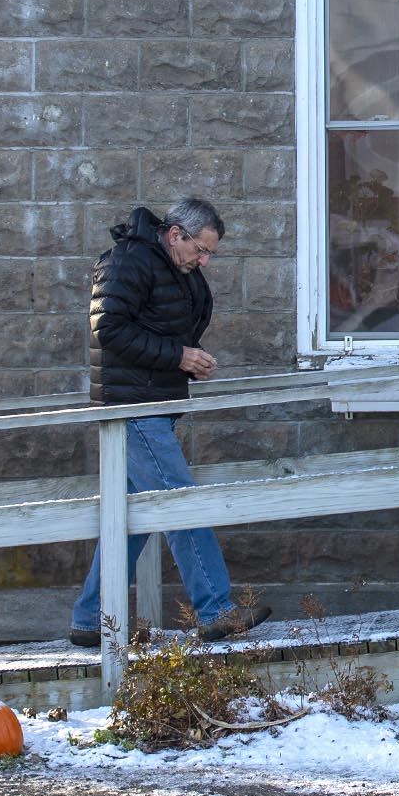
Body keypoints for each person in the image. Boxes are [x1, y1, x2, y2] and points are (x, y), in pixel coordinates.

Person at [67, 199, 271, 647]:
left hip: (150, 404)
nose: (205, 261)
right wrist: (179, 356)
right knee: (182, 505)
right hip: (132, 409)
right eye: (201, 250)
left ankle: (89, 618)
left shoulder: (172, 267)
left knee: (132, 519)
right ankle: (216, 609)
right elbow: (110, 329)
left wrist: (185, 359)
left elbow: (164, 325)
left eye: (210, 254)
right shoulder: (127, 261)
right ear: (175, 233)